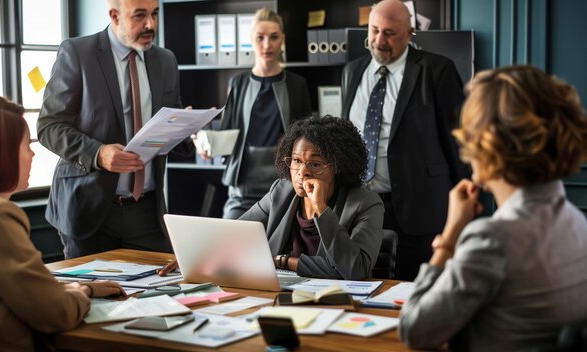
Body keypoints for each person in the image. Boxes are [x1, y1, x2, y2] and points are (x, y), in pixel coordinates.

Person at [398, 65, 587, 351]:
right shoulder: (577, 221)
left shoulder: (492, 239)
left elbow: (415, 330)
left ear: (488, 145)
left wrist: (448, 239)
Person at [0, 96, 125, 351]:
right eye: (26, 145)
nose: (32, 153)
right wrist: (83, 292)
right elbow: (55, 313)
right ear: (0, 152)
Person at [38, 0, 187, 258]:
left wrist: (187, 129)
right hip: (89, 210)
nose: (150, 24)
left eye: (154, 14)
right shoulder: (77, 53)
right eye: (139, 16)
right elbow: (49, 125)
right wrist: (98, 153)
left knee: (157, 296)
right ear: (114, 15)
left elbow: (169, 119)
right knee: (92, 297)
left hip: (147, 212)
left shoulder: (166, 60)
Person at [341, 0, 469, 280]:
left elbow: (460, 144)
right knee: (362, 289)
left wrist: (461, 209)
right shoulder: (352, 72)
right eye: (374, 30)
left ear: (410, 33)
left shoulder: (437, 70)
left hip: (420, 209)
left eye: (390, 33)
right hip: (361, 207)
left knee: (416, 294)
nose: (379, 40)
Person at [198, 7, 311, 219]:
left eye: (274, 37)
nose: (267, 45)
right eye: (260, 38)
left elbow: (307, 138)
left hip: (285, 188)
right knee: (229, 240)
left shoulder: (297, 84)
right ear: (251, 39)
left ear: (282, 39)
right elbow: (226, 134)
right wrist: (207, 144)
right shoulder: (237, 83)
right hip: (243, 189)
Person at [239, 116, 384, 280]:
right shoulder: (280, 191)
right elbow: (235, 236)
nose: (302, 172)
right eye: (296, 161)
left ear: (338, 166)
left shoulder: (365, 203)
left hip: (334, 298)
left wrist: (285, 261)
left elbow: (356, 269)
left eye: (315, 164)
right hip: (278, 291)